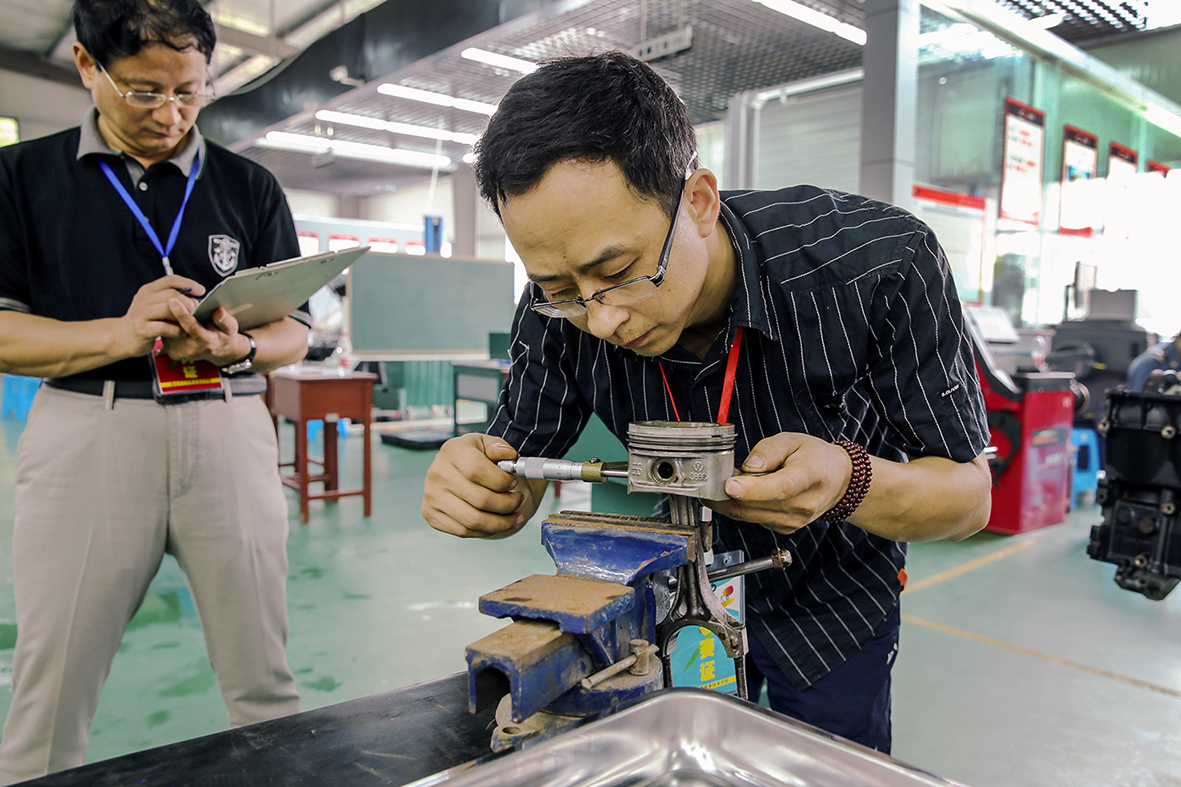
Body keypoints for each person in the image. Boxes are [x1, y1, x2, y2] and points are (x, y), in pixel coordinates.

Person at [421, 51, 992, 754]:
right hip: (663, 606)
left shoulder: (878, 266)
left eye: (620, 272)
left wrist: (848, 480)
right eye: (561, 287)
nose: (600, 319)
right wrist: (478, 487)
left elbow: (968, 497)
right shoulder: (556, 309)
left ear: (696, 201)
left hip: (832, 609)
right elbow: (514, 469)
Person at [0, 0, 306, 780]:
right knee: (52, 686)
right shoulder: (20, 178)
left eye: (189, 91)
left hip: (229, 426)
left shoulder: (249, 185)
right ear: (85, 66)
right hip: (88, 433)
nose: (169, 113)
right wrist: (118, 332)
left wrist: (242, 347)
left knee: (264, 681)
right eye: (143, 91)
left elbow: (295, 331)